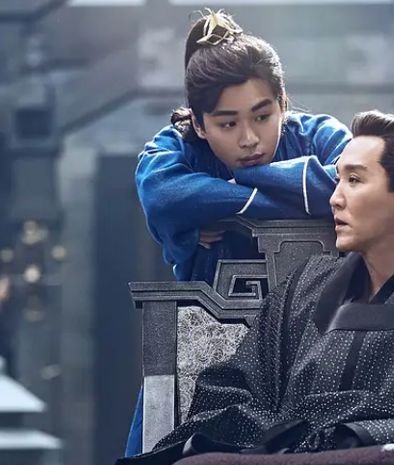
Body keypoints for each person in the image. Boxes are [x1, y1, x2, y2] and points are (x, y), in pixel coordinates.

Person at [118, 90, 394, 465]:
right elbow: (225, 395)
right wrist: (304, 438)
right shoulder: (305, 287)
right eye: (338, 178)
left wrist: (352, 433)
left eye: (354, 180)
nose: (335, 198)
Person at [127, 9, 351, 456]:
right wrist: (290, 196)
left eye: (263, 116)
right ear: (198, 123)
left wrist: (228, 195)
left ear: (282, 102)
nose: (249, 139)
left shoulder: (318, 134)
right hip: (208, 341)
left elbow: (354, 182)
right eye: (227, 124)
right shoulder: (177, 147)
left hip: (317, 340)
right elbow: (163, 194)